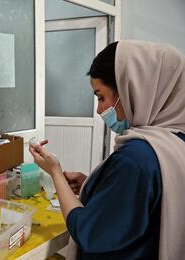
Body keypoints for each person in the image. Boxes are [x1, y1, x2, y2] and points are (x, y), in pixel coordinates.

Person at [30, 40, 185, 260]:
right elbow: (143, 205)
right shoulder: (175, 142)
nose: (99, 110)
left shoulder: (137, 157)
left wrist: (55, 172)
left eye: (101, 97)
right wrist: (93, 186)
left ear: (132, 90)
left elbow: (88, 232)